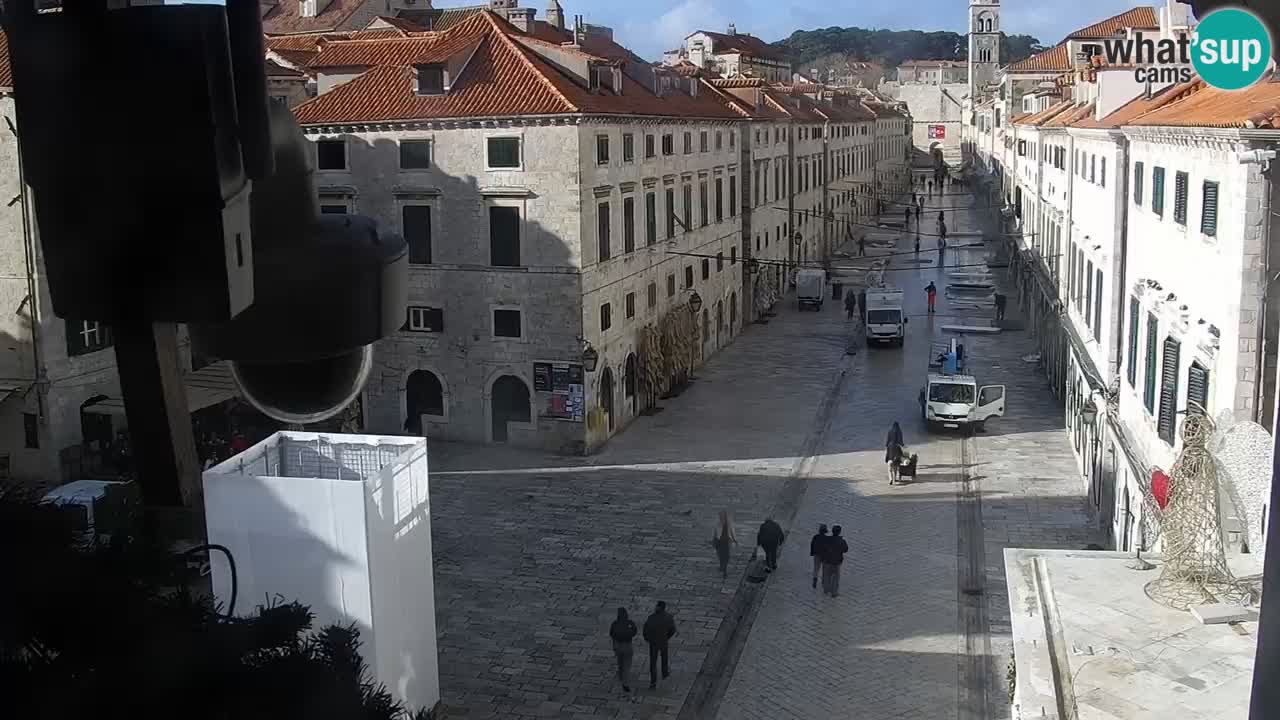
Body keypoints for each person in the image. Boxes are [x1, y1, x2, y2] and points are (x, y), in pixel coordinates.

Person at [643, 601, 677, 689]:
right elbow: (672, 630)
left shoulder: (651, 618)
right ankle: (664, 673)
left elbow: (645, 631)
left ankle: (653, 681)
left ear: (658, 607)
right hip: (663, 641)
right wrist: (667, 637)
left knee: (653, 662)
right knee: (664, 657)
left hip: (653, 643)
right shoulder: (669, 617)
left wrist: (648, 639)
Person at [609, 608, 638, 692]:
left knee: (620, 661)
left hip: (618, 646)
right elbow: (634, 632)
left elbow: (611, 633)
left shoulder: (615, 623)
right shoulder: (630, 623)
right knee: (627, 665)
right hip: (627, 646)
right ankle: (625, 683)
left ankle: (621, 675)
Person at [820, 525, 850, 597]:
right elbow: (845, 550)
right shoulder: (841, 541)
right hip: (837, 562)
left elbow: (823, 549)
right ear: (839, 532)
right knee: (836, 577)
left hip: (827, 561)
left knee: (827, 576)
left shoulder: (827, 540)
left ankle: (826, 590)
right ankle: (834, 592)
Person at [712, 510, 736, 579]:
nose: (721, 518)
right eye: (720, 517)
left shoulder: (729, 524)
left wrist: (734, 541)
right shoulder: (718, 524)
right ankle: (721, 566)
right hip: (719, 543)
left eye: (722, 517)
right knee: (721, 556)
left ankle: (724, 571)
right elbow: (715, 533)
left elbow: (732, 533)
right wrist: (714, 541)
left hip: (726, 543)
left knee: (726, 557)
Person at [809, 524, 829, 589]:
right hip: (824, 556)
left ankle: (815, 580)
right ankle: (823, 581)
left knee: (816, 568)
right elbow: (828, 548)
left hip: (816, 554)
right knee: (824, 569)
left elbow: (812, 545)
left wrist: (812, 553)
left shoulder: (815, 537)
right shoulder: (827, 539)